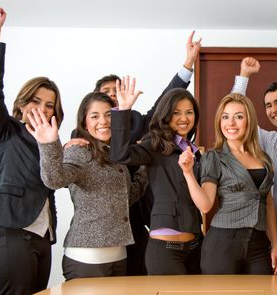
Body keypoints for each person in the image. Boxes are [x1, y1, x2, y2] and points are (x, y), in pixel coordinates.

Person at [69, 32, 201, 276]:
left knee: (138, 277)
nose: (113, 96)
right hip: (98, 232)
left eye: (116, 91)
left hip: (140, 215)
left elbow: (168, 103)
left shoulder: (138, 124)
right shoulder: (81, 138)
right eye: (106, 92)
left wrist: (187, 65)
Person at [0, 7, 64, 294]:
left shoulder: (51, 142)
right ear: (22, 104)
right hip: (13, 235)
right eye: (36, 101)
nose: (42, 108)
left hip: (43, 238)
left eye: (49, 104)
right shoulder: (6, 130)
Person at [26, 92, 148, 280]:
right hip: (87, 258)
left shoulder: (116, 155)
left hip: (119, 256)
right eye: (95, 116)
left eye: (109, 115)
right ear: (84, 123)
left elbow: (126, 197)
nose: (103, 121)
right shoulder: (79, 150)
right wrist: (48, 144)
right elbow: (55, 180)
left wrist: (146, 167)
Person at [179, 93, 277, 274]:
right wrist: (188, 173)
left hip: (259, 245)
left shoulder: (263, 158)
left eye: (239, 117)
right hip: (223, 243)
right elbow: (205, 205)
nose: (231, 123)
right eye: (225, 117)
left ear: (249, 121)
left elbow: (269, 204)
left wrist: (275, 245)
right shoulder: (214, 157)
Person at [110, 77, 203, 275]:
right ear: (166, 115)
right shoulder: (155, 144)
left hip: (196, 246)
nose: (184, 118)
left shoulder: (195, 152)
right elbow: (120, 154)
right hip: (165, 250)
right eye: (176, 113)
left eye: (189, 112)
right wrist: (123, 111)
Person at [231, 57, 277, 274]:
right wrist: (244, 75)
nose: (273, 110)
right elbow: (236, 109)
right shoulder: (266, 140)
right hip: (270, 233)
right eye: (268, 105)